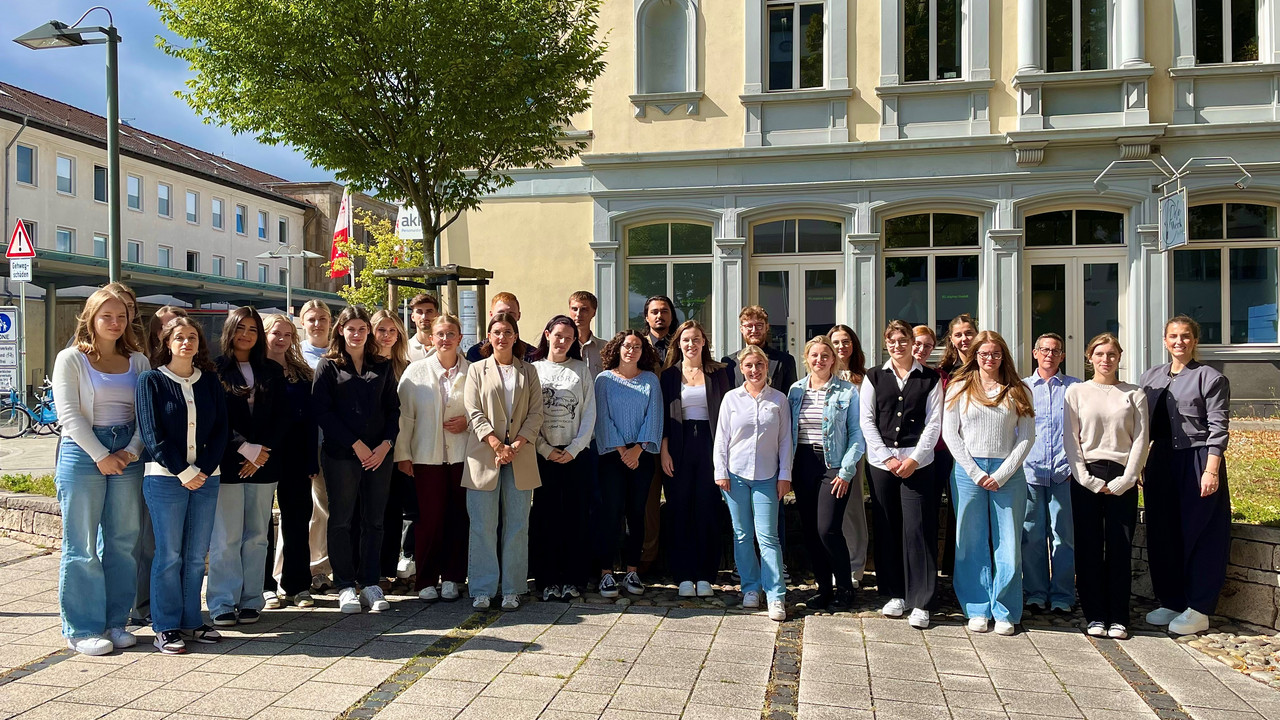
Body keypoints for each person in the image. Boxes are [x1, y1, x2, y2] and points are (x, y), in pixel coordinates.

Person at [51, 288, 150, 655]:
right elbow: (70, 416)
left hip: (127, 452)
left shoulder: (137, 361)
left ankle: (115, 622)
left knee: (123, 543)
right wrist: (100, 455)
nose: (114, 322)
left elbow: (145, 416)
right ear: (90, 318)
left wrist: (130, 451)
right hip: (82, 454)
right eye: (106, 316)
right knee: (82, 545)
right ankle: (81, 628)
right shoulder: (71, 359)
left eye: (121, 316)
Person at [136, 316, 228, 653]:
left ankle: (192, 621)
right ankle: (165, 625)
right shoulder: (151, 381)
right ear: (167, 342)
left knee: (194, 556)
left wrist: (201, 469)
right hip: (165, 480)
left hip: (207, 478)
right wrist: (182, 471)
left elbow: (221, 430)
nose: (186, 342)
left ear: (200, 344)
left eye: (192, 337)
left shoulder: (210, 382)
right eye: (179, 337)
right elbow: (152, 434)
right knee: (169, 554)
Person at [1140, 316, 1231, 636]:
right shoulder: (1149, 377)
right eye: (1173, 336)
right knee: (1163, 532)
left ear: (1195, 341)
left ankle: (1199, 607)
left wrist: (1211, 469)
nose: (1179, 341)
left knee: (1201, 532)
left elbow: (1218, 428)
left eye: (1186, 336)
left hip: (1197, 460)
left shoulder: (1210, 378)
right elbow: (1142, 428)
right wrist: (1138, 464)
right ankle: (1172, 599)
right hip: (1161, 460)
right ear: (1165, 341)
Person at [943, 330, 1036, 636]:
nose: (989, 359)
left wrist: (1002, 474)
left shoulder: (1018, 389)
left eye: (995, 354)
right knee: (970, 542)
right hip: (969, 473)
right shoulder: (959, 386)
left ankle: (1006, 610)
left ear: (1003, 356)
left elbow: (1026, 437)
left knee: (1008, 543)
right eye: (983, 354)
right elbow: (950, 434)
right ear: (975, 356)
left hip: (1007, 474)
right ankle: (977, 608)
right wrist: (974, 471)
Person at [313, 306, 401, 614]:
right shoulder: (328, 366)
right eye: (350, 328)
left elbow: (393, 410)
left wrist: (386, 445)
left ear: (368, 332)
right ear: (340, 330)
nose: (356, 334)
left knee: (374, 521)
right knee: (341, 521)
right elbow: (323, 412)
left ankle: (370, 583)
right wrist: (356, 444)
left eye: (362, 329)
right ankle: (346, 585)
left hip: (379, 456)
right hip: (341, 456)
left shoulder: (383, 365)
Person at [1064, 333, 1150, 640]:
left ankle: (1119, 617)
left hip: (1122, 475)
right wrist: (1085, 478)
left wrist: (1128, 478)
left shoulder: (1134, 393)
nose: (1105, 359)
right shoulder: (1076, 392)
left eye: (1111, 354)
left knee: (1119, 548)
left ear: (1119, 357)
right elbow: (1070, 439)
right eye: (1099, 353)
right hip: (1087, 474)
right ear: (1090, 358)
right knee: (1088, 548)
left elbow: (1141, 438)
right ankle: (1095, 615)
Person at [207, 306, 288, 627]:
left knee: (257, 536)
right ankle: (223, 602)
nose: (246, 335)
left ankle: (252, 599)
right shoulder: (214, 370)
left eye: (253, 330)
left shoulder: (271, 370)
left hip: (264, 465)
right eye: (241, 328)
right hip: (228, 463)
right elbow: (214, 419)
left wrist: (261, 452)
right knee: (226, 537)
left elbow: (283, 417)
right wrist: (244, 447)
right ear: (230, 331)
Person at [860, 321, 944, 629]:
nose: (898, 345)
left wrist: (914, 459)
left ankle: (921, 600)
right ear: (886, 344)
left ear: (912, 342)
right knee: (888, 527)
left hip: (917, 464)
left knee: (918, 530)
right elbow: (867, 421)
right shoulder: (874, 376)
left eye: (903, 339)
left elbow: (934, 424)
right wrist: (886, 457)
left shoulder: (930, 378)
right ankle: (895, 594)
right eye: (892, 340)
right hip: (883, 465)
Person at [462, 313, 544, 611]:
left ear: (515, 336)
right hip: (484, 455)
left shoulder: (528, 372)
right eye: (496, 332)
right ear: (489, 337)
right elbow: (472, 411)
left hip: (521, 456)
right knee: (483, 525)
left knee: (517, 525)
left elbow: (536, 414)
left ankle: (512, 587)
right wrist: (496, 443)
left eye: (508, 332)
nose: (502, 337)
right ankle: (483, 588)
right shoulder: (476, 370)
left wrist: (517, 444)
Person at [397, 314, 471, 602]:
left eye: (450, 333)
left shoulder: (473, 371)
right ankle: (426, 579)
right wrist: (404, 456)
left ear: (459, 338)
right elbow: (404, 418)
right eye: (439, 334)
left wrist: (468, 422)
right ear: (431, 338)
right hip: (425, 458)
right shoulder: (415, 373)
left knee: (457, 518)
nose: (445, 339)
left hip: (462, 457)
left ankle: (453, 577)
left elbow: (482, 410)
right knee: (428, 520)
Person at [714, 344, 792, 622]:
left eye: (759, 365)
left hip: (768, 476)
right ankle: (750, 588)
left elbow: (785, 441)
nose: (754, 370)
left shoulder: (779, 400)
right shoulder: (731, 399)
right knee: (742, 534)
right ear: (741, 369)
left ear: (766, 367)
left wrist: (785, 475)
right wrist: (720, 471)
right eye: (749, 366)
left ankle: (775, 595)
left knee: (768, 536)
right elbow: (721, 438)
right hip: (735, 476)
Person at [788, 336, 864, 612]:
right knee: (811, 531)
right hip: (803, 462)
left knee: (828, 528)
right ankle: (823, 589)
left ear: (833, 360)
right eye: (814, 356)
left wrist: (846, 470)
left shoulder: (847, 392)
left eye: (825, 356)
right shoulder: (796, 391)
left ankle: (844, 587)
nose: (819, 360)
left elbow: (857, 434)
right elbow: (788, 433)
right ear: (806, 359)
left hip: (833, 462)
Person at [659, 320, 733, 598]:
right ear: (678, 343)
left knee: (707, 508)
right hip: (678, 445)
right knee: (679, 510)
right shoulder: (668, 376)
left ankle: (705, 575)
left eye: (696, 339)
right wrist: (664, 450)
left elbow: (727, 417)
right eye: (686, 340)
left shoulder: (719, 374)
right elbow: (664, 417)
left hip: (710, 445)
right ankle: (683, 575)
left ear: (704, 343)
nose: (691, 344)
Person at [593, 330, 664, 598]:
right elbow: (603, 418)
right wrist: (623, 449)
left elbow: (654, 416)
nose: (631, 350)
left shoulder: (650, 381)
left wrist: (638, 449)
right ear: (617, 349)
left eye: (636, 346)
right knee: (611, 513)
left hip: (642, 456)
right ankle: (606, 573)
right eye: (626, 346)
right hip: (612, 455)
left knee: (637, 512)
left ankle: (632, 570)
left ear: (643, 351)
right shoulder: (604, 380)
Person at [530, 316, 597, 600]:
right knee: (546, 519)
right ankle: (546, 580)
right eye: (558, 335)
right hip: (543, 455)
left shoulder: (581, 371)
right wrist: (545, 449)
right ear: (547, 335)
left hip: (575, 455)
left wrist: (575, 448)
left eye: (568, 338)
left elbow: (589, 413)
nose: (562, 341)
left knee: (575, 518)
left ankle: (572, 579)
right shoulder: (533, 370)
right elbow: (528, 415)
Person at [132, 305, 189, 628]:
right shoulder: (147, 369)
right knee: (149, 540)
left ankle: (176, 605)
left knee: (179, 543)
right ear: (157, 334)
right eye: (168, 327)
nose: (176, 333)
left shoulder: (193, 369)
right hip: (153, 463)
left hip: (189, 466)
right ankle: (144, 606)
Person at [261, 313, 319, 610]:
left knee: (297, 520)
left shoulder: (302, 373)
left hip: (297, 455)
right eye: (276, 334)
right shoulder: (254, 369)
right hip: (262, 456)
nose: (281, 339)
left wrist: (312, 459)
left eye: (287, 334)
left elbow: (311, 420)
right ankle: (264, 585)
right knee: (260, 524)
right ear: (265, 335)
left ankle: (297, 584)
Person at [1021, 333, 1080, 615]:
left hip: (1063, 473)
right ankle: (1034, 593)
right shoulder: (1021, 388)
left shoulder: (1076, 388)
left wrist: (1074, 466)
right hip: (1030, 472)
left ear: (1063, 356)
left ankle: (1062, 595)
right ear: (1035, 353)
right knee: (1031, 535)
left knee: (1063, 536)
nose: (1049, 355)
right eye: (1044, 349)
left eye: (1055, 351)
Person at [371, 309, 417, 583]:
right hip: (373, 449)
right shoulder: (363, 364)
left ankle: (388, 571)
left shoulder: (407, 366)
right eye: (381, 330)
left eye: (392, 330)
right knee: (372, 511)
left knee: (395, 511)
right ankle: (370, 571)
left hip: (401, 448)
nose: (387, 335)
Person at [828, 324, 870, 590]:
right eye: (836, 342)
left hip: (856, 449)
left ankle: (855, 566)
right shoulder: (822, 376)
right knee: (831, 512)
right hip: (828, 450)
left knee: (853, 508)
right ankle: (834, 563)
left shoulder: (865, 378)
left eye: (846, 342)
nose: (841, 346)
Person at [298, 299, 334, 593]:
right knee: (299, 510)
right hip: (304, 444)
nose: (317, 324)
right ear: (302, 322)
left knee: (325, 510)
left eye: (323, 318)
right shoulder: (296, 354)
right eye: (311, 319)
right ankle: (290, 572)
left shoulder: (338, 353)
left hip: (334, 444)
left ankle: (320, 569)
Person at [723, 306, 798, 393]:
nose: (754, 330)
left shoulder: (785, 361)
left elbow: (791, 398)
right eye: (749, 326)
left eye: (759, 325)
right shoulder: (729, 363)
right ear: (741, 329)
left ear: (767, 327)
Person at [466, 293, 538, 362]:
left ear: (518, 316)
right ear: (491, 315)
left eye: (511, 314)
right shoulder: (476, 353)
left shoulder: (531, 355)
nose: (505, 317)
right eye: (500, 313)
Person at [569, 290, 604, 378]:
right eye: (574, 309)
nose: (578, 314)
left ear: (594, 312)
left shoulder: (605, 348)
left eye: (584, 309)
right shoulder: (563, 346)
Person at [642, 295, 678, 365]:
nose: (659, 316)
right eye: (654, 312)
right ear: (647, 317)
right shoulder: (640, 345)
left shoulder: (680, 345)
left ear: (672, 316)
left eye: (664, 311)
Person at [407, 293, 440, 361]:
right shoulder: (404, 350)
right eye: (419, 312)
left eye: (429, 312)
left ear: (437, 315)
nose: (424, 317)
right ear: (412, 317)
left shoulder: (450, 347)